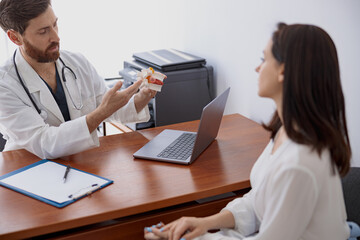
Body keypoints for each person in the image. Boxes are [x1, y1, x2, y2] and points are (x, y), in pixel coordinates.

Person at [144, 23, 352, 240]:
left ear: (283, 70)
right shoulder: (286, 131)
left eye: (263, 59)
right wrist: (205, 223)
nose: (257, 68)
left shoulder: (299, 162)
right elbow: (259, 200)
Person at [0, 0, 156, 159]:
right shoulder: (4, 85)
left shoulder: (76, 63)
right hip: (28, 169)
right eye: (43, 31)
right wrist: (101, 112)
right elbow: (45, 143)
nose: (56, 37)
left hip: (81, 161)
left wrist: (141, 99)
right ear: (15, 38)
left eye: (55, 25)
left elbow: (106, 106)